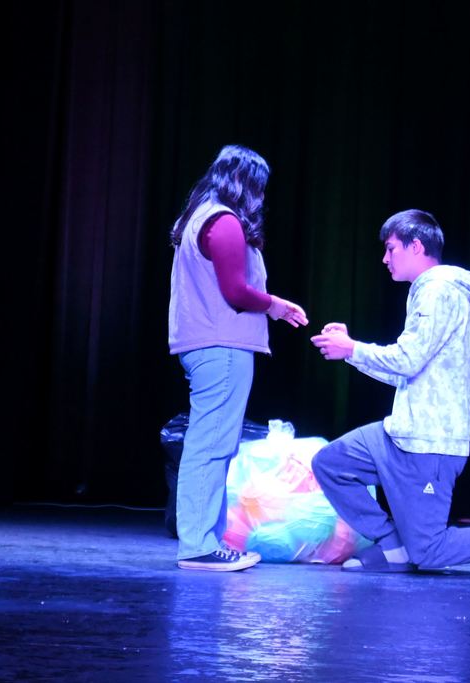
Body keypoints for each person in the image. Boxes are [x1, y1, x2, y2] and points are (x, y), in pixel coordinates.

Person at [310, 209, 470, 578]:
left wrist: (351, 348)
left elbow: (408, 359)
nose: (385, 258)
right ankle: (393, 547)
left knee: (429, 552)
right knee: (331, 463)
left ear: (415, 246)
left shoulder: (438, 292)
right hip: (401, 433)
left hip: (429, 442)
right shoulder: (426, 292)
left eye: (391, 248)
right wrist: (350, 352)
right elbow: (406, 370)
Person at [168, 144, 308, 571]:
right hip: (222, 346)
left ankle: (202, 540)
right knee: (211, 447)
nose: (262, 198)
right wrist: (277, 306)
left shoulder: (198, 217)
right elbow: (236, 292)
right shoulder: (224, 222)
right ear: (246, 183)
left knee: (211, 445)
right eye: (260, 187)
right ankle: (198, 545)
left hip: (204, 343)